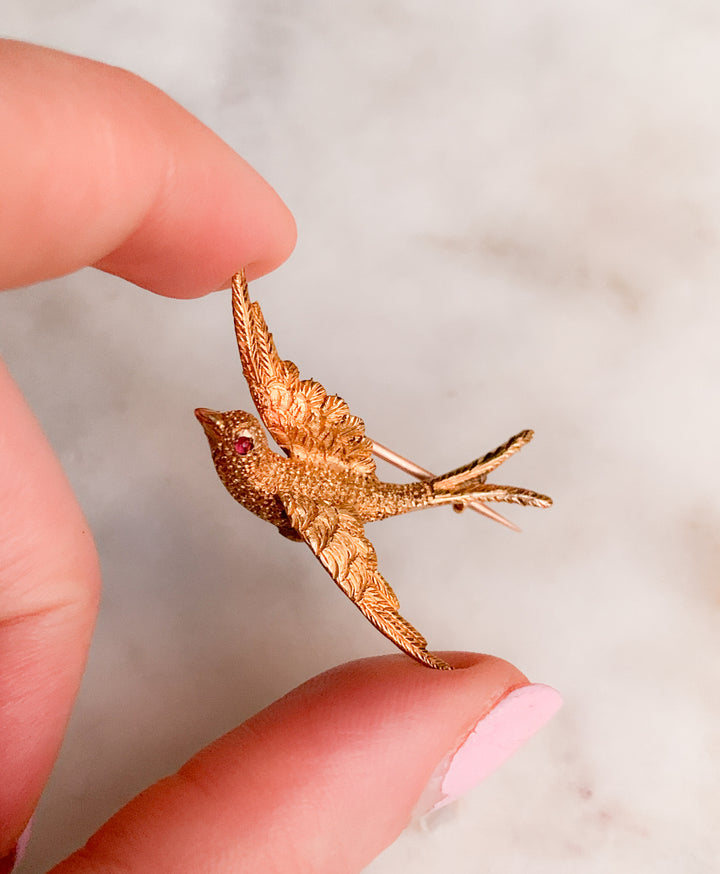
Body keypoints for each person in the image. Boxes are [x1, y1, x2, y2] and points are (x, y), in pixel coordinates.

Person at [0, 39, 561, 873]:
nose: (237, 437)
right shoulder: (270, 463)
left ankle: (472, 484)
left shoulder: (286, 462)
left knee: (421, 489)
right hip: (328, 492)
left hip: (331, 492)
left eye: (238, 436)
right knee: (432, 490)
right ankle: (470, 485)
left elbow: (319, 501)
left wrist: (246, 317)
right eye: (236, 437)